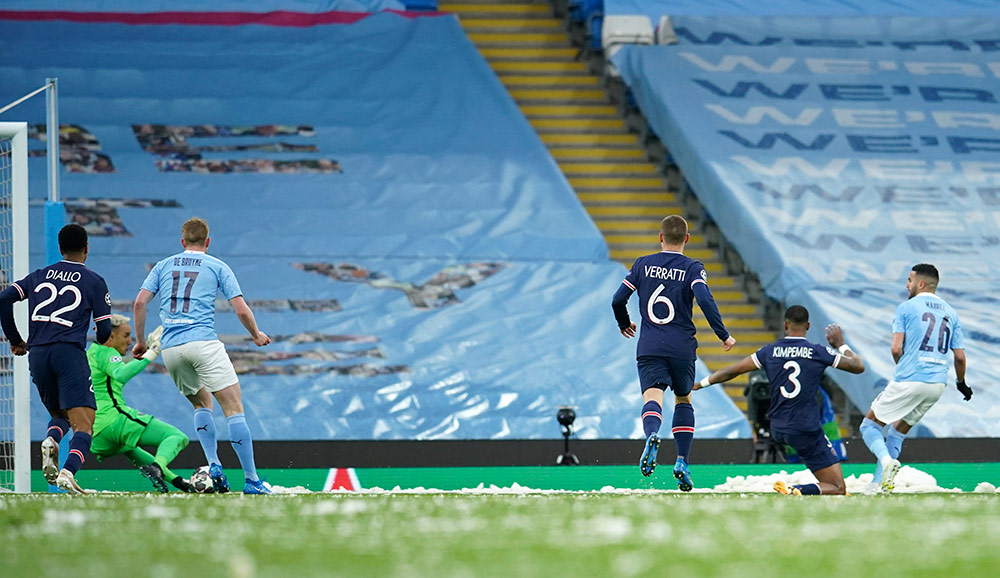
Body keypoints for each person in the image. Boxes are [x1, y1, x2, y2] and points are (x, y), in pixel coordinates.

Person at [132, 217, 273, 495]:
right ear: (207, 242)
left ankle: (213, 464)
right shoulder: (218, 266)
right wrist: (256, 334)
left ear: (182, 242)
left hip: (171, 348)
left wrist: (139, 342)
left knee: (201, 404)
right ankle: (252, 480)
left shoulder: (163, 265)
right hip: (203, 342)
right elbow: (241, 309)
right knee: (233, 408)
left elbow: (139, 302)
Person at [612, 215, 736, 491]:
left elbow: (618, 299)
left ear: (660, 237)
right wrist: (723, 334)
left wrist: (624, 322)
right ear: (687, 239)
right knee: (683, 399)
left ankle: (652, 434)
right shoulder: (693, 268)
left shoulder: (642, 265)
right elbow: (704, 299)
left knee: (653, 397)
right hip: (682, 348)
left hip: (651, 347)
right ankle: (682, 461)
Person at [694, 306, 866, 495]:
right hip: (805, 427)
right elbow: (858, 366)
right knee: (837, 487)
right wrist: (840, 344)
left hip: (778, 427)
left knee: (825, 475)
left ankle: (803, 486)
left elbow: (733, 370)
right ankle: (795, 490)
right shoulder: (818, 352)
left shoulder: (769, 351)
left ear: (785, 325)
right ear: (808, 326)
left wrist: (700, 384)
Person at [0, 224, 112, 494]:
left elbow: (4, 298)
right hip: (68, 353)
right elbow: (105, 331)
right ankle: (68, 472)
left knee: (59, 415)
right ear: (87, 248)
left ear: (60, 248)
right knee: (84, 425)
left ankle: (51, 439)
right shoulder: (93, 280)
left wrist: (15, 340)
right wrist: (100, 335)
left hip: (38, 354)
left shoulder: (39, 275)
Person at [859, 264, 971, 494]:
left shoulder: (906, 308)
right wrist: (961, 383)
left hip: (911, 378)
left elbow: (896, 348)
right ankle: (879, 485)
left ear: (920, 284)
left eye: (909, 280)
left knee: (869, 425)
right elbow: (959, 357)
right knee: (898, 431)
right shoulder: (951, 312)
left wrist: (906, 368)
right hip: (938, 384)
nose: (906, 284)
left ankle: (887, 463)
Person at [88, 314, 194, 493]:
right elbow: (121, 374)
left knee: (130, 449)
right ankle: (158, 467)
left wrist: (144, 353)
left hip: (96, 433)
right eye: (126, 335)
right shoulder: (108, 353)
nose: (130, 341)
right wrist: (153, 352)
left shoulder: (92, 353)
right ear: (110, 336)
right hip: (113, 419)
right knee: (177, 437)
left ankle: (177, 481)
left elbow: (116, 377)